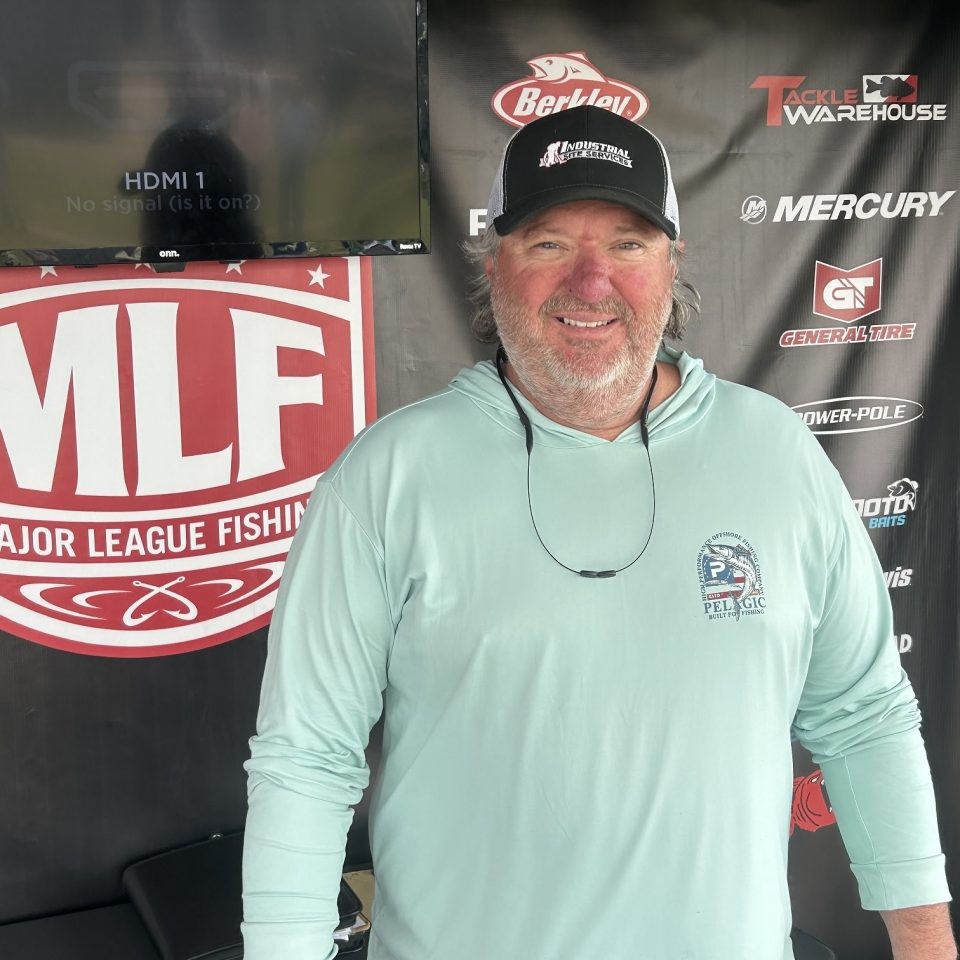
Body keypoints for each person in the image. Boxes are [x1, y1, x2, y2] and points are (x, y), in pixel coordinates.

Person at [242, 106, 955, 960]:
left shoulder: (776, 452)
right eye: (549, 243)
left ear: (671, 265)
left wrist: (927, 945)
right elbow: (307, 759)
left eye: (628, 244)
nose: (590, 281)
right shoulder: (387, 478)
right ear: (495, 265)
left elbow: (865, 716)